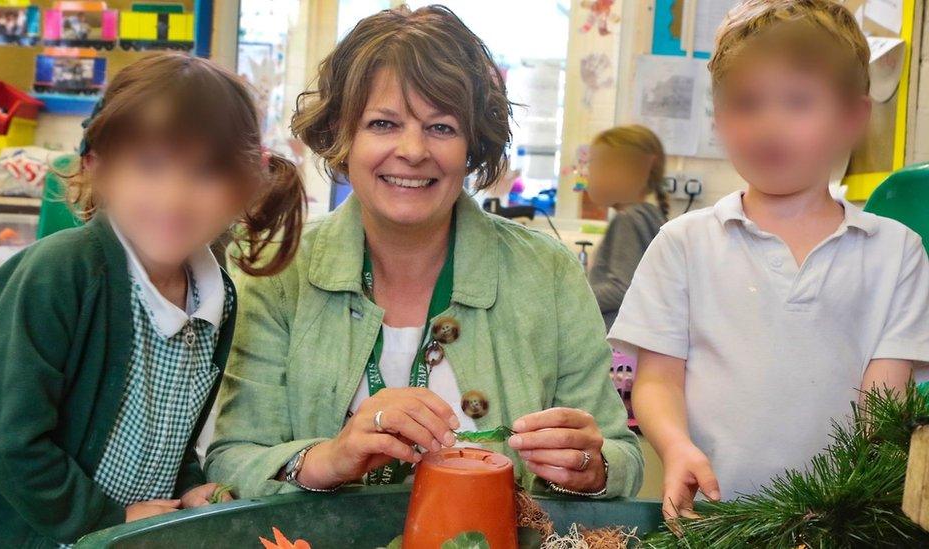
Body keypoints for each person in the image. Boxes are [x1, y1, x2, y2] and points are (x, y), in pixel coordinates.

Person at [206, 6, 642, 499]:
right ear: (341, 137)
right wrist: (328, 458)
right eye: (384, 124)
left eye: (441, 128)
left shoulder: (548, 272)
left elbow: (620, 453)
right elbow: (231, 460)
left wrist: (592, 467)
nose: (413, 150)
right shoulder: (277, 268)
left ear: (472, 145)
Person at [0, 53, 306, 546]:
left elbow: (168, 433)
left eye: (204, 171)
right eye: (149, 165)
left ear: (242, 186)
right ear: (99, 169)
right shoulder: (61, 274)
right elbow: (1, 437)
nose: (174, 196)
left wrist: (187, 490)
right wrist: (106, 517)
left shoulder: (214, 295)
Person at [610, 0, 929, 519]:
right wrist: (674, 447)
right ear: (719, 118)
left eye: (798, 102)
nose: (769, 124)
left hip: (843, 523)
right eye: (746, 104)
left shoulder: (896, 253)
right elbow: (658, 379)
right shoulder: (683, 242)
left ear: (852, 117)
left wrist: (856, 505)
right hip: (711, 518)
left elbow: (883, 407)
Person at [584, 125, 668, 328]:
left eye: (597, 166)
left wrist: (572, 301)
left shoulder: (628, 220)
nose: (589, 175)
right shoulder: (649, 215)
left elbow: (622, 288)